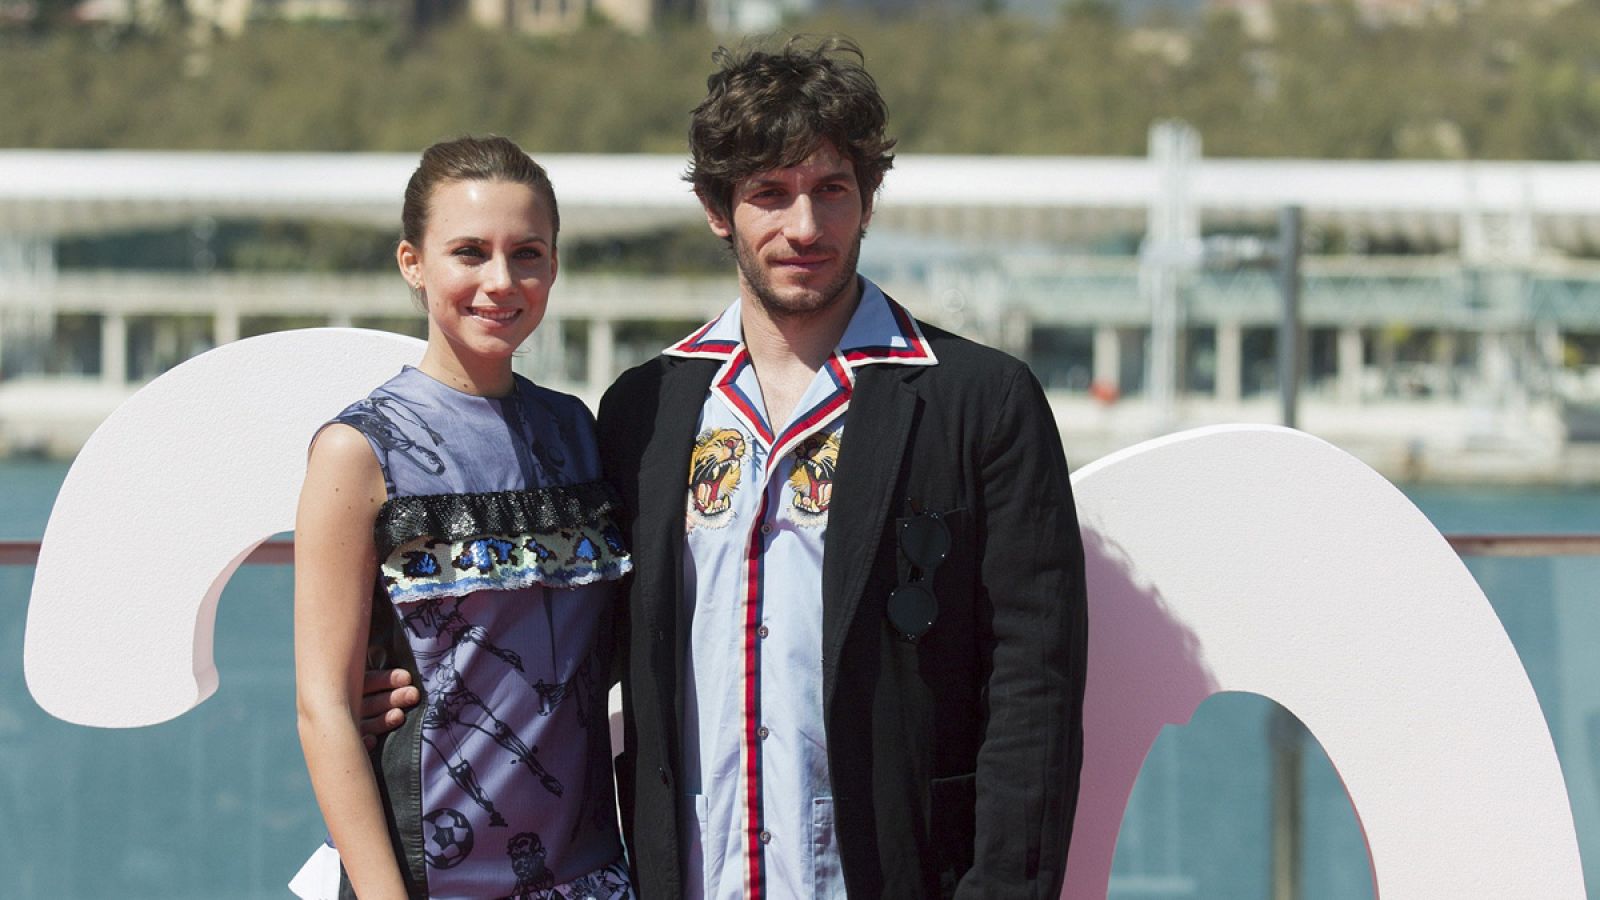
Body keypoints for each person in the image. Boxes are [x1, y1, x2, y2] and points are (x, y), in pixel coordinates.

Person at [365, 38, 1087, 898]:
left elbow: (1034, 691)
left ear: (868, 199)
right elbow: (568, 631)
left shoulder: (980, 402)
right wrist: (407, 690)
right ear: (718, 208)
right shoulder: (645, 410)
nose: (805, 228)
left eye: (832, 192)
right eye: (769, 195)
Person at [295, 135, 634, 900]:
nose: (500, 281)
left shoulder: (580, 433)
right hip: (429, 881)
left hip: (592, 878)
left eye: (528, 254)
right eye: (469, 252)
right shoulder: (357, 451)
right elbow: (323, 708)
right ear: (412, 263)